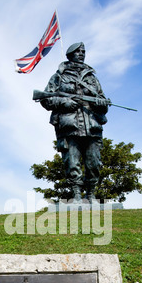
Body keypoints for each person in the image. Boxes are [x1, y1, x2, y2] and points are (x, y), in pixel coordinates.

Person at [40, 42, 110, 202]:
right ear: (70, 54)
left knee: (94, 163)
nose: (81, 54)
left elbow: (103, 102)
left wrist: (101, 104)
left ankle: (91, 194)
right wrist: (64, 103)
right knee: (72, 163)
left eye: (83, 51)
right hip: (68, 126)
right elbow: (45, 99)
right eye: (78, 51)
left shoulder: (92, 78)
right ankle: (77, 195)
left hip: (92, 126)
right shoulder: (59, 76)